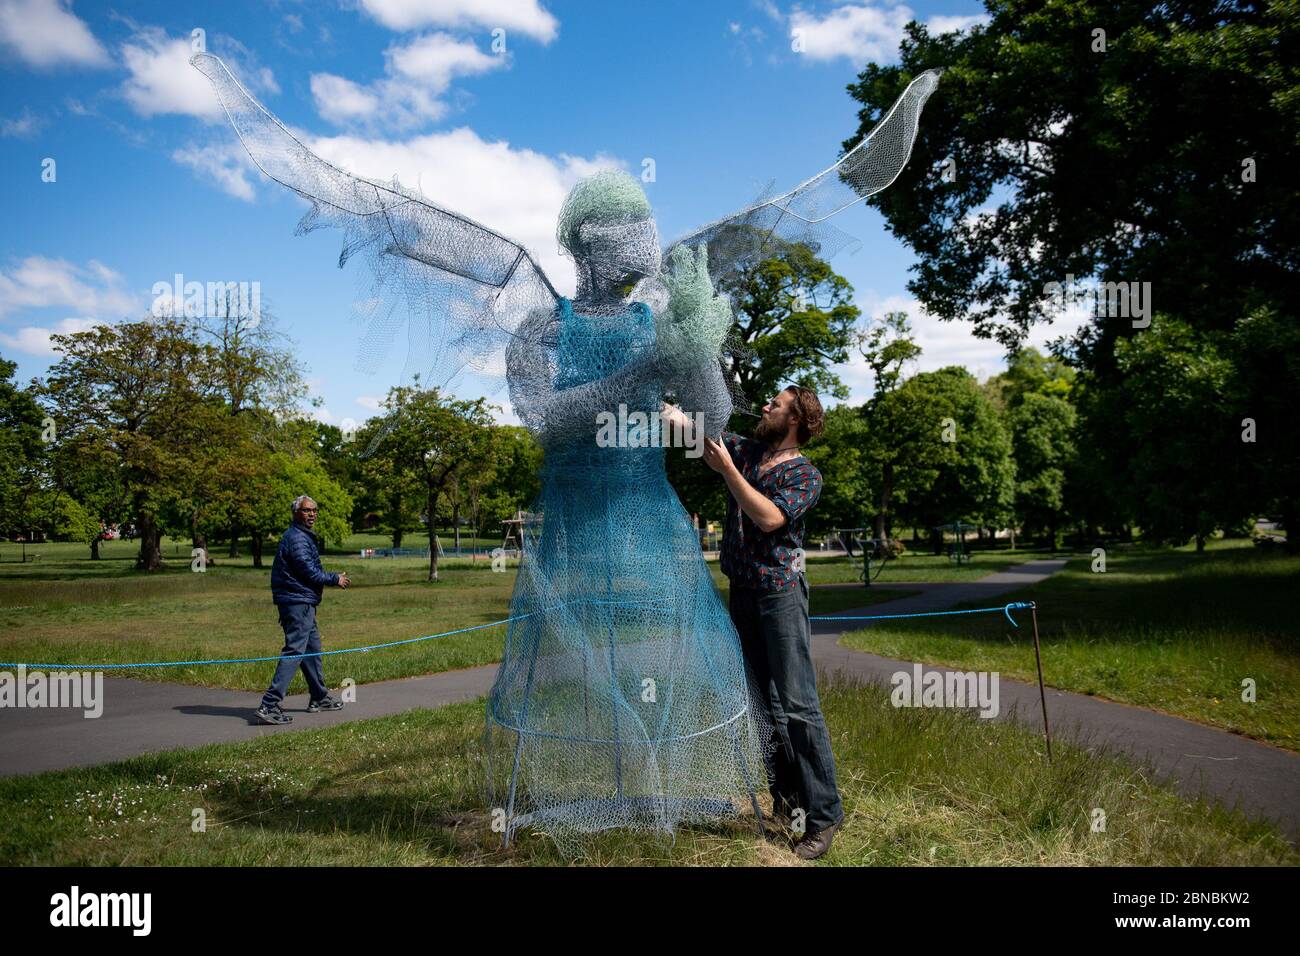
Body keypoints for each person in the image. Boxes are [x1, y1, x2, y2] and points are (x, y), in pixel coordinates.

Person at [697, 385, 844, 860]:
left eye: (776, 404)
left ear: (797, 419)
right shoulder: (749, 450)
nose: (765, 406)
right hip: (743, 591)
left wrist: (729, 474)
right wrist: (660, 398)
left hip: (780, 595)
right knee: (764, 705)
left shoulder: (805, 474)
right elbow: (697, 433)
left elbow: (768, 518)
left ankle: (823, 816)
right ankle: (787, 805)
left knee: (799, 706)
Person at [255, 495, 350, 725]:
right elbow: (307, 570)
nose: (312, 514)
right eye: (307, 510)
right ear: (296, 513)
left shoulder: (301, 536)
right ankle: (269, 704)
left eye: (315, 510)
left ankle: (318, 696)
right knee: (295, 651)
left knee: (312, 649)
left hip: (302, 601)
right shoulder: (296, 538)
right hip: (296, 602)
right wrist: (333, 578)